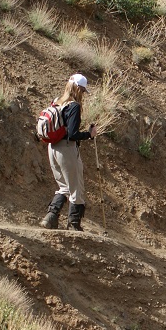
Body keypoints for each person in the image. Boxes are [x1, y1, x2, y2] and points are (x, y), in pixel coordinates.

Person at [40, 74, 98, 231]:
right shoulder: (74, 106)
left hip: (52, 148)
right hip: (66, 149)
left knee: (64, 186)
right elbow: (72, 134)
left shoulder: (57, 102)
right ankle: (73, 225)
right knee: (76, 188)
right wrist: (89, 134)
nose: (83, 94)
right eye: (83, 91)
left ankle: (50, 218)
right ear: (78, 89)